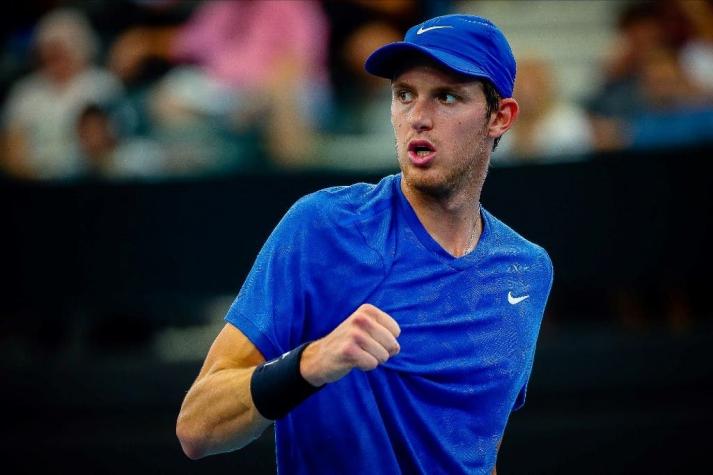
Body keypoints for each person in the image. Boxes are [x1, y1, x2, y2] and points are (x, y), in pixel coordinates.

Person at [176, 14, 553, 474]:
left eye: (447, 96)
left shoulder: (527, 271)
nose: (418, 117)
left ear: (500, 117)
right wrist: (311, 362)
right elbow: (197, 427)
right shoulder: (321, 228)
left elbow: (477, 448)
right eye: (404, 95)